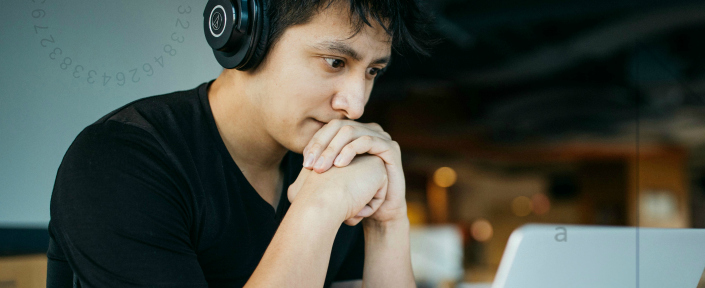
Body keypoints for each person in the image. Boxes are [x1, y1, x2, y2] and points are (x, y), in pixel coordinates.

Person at [46, 0, 433, 287]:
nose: (356, 103)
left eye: (373, 71)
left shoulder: (334, 163)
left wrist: (387, 222)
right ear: (247, 39)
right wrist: (318, 207)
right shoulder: (119, 162)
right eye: (334, 61)